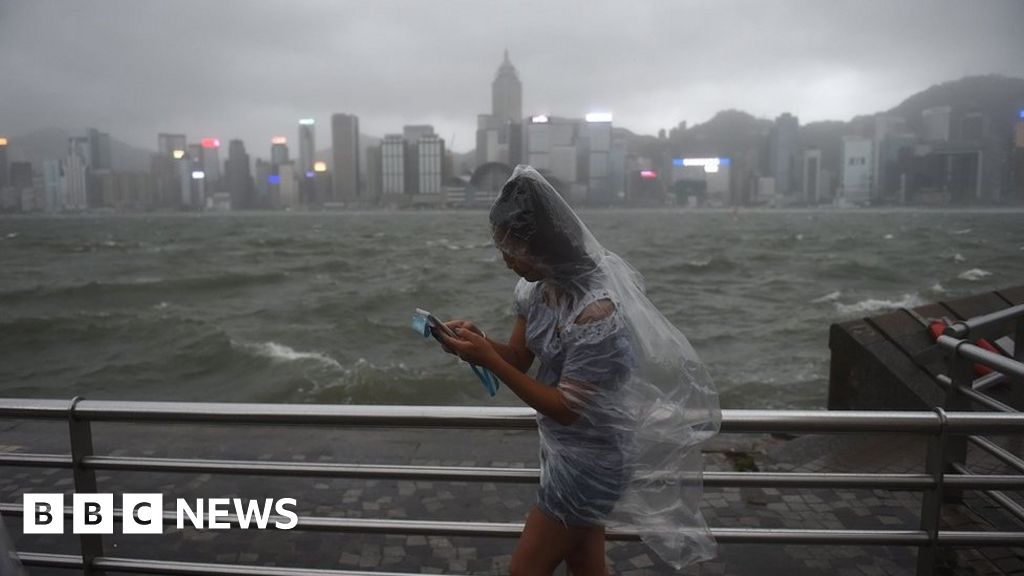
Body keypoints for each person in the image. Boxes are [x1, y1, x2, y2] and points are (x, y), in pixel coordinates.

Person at [438, 165, 720, 575]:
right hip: (562, 452)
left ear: (544, 246)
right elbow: (518, 357)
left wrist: (489, 358)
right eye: (502, 251)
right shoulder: (536, 289)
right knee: (586, 565)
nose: (507, 263)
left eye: (512, 253)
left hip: (594, 463)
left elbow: (567, 406)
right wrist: (475, 344)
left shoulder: (596, 311)